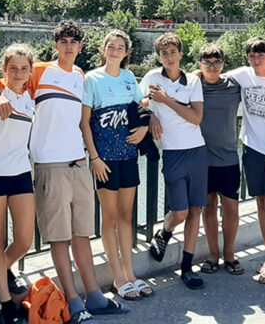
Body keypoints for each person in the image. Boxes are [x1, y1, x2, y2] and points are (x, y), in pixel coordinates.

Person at [23, 20, 128, 323]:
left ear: (81, 47)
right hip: (50, 165)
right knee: (59, 237)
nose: (68, 46)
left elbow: (88, 118)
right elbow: (7, 82)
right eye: (63, 40)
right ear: (55, 44)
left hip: (79, 163)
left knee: (82, 233)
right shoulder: (40, 71)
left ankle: (94, 296)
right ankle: (73, 302)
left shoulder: (80, 76)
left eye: (74, 41)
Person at [81, 30, 152, 301]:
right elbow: (84, 121)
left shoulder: (129, 77)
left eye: (120, 47)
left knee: (125, 217)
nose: (115, 50)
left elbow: (141, 104)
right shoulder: (92, 78)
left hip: (128, 156)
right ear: (104, 49)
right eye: (111, 46)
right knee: (109, 218)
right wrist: (95, 158)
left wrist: (145, 127)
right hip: (105, 160)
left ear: (126, 52)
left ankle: (130, 273)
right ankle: (117, 277)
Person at [141, 33, 206, 290]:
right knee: (180, 211)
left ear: (181, 54)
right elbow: (137, 101)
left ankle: (187, 267)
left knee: (195, 210)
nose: (169, 57)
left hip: (196, 151)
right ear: (159, 57)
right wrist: (149, 116)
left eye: (173, 52)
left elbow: (196, 117)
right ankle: (165, 232)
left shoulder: (192, 80)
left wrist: (167, 100)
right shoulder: (151, 78)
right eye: (164, 53)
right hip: (172, 152)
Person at [0, 44, 36, 324]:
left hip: (21, 172)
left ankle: (3, 268)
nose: (18, 73)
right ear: (4, 68)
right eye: (13, 68)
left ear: (30, 71)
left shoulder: (32, 99)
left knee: (24, 240)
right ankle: (5, 302)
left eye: (24, 68)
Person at [227, 37, 265, 284]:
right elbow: (214, 73)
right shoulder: (243, 75)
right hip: (252, 150)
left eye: (260, 55)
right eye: (252, 56)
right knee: (261, 205)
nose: (256, 60)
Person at [194, 43, 245, 276]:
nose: (212, 66)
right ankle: (213, 255)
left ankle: (230, 255)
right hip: (202, 159)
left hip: (228, 158)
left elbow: (258, 79)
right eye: (207, 62)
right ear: (200, 65)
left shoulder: (234, 87)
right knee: (209, 209)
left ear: (223, 65)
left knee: (231, 208)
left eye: (216, 62)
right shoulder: (193, 86)